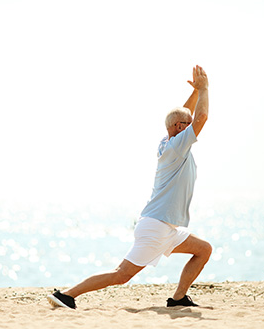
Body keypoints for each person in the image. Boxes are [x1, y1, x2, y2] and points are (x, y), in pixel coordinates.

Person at [48, 65, 212, 309]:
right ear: (178, 128)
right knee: (121, 275)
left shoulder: (171, 141)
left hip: (166, 226)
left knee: (203, 249)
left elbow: (186, 113)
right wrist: (205, 89)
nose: (192, 127)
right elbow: (200, 117)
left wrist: (196, 93)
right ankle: (67, 295)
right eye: (186, 124)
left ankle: (178, 298)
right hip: (156, 226)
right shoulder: (177, 146)